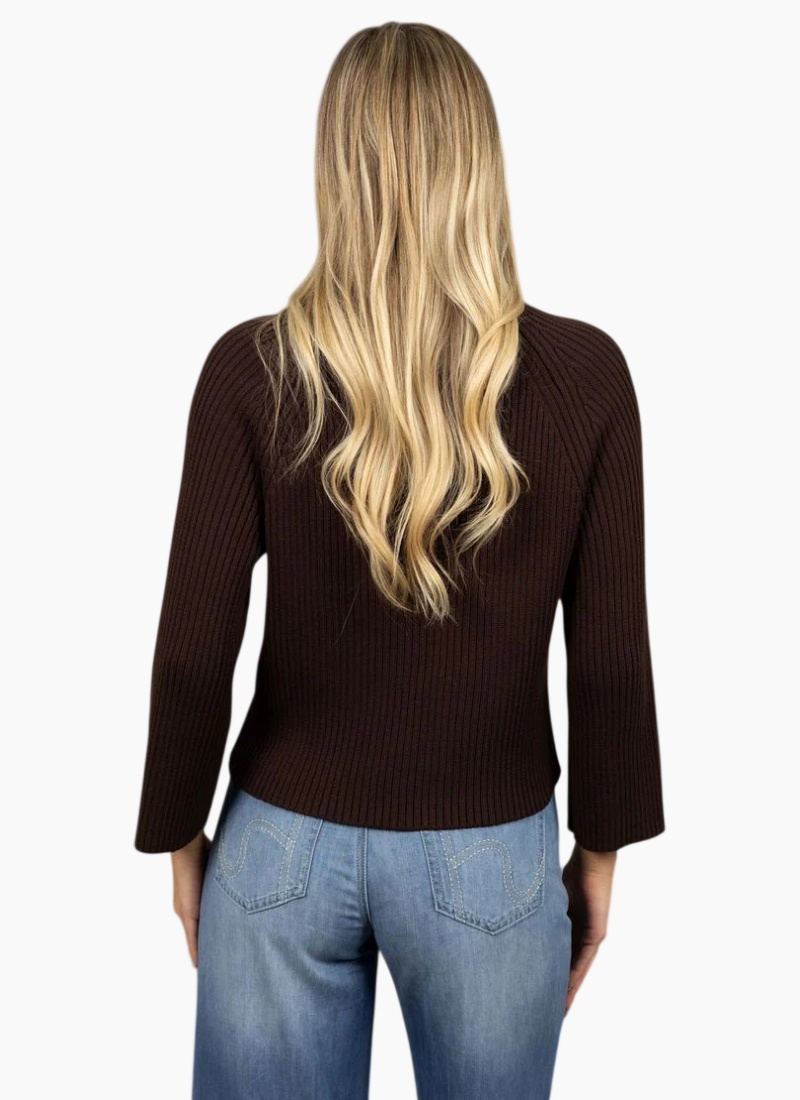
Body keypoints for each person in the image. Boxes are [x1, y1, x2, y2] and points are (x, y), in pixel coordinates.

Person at [134, 20, 665, 1100]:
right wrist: (601, 851)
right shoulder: (587, 377)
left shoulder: (250, 370)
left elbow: (193, 650)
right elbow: (609, 659)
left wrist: (179, 834)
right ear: (481, 166)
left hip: (277, 849)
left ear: (336, 167)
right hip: (491, 858)